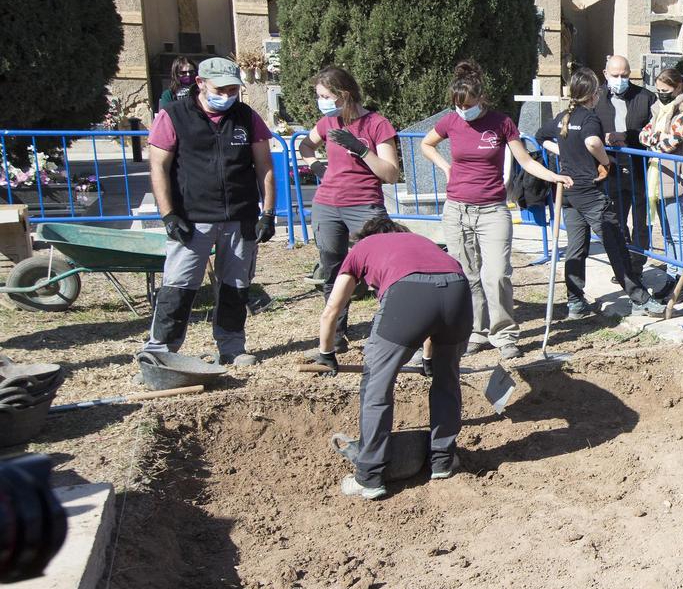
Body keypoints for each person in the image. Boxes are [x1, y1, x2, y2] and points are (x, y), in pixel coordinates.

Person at [421, 60, 571, 360]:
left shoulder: (502, 123)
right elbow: (427, 144)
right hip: (457, 210)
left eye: (469, 104)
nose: (464, 110)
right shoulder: (450, 122)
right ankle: (476, 331)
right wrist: (446, 168)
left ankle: (503, 334)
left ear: (481, 99)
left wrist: (553, 175)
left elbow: (525, 161)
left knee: (497, 274)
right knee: (468, 274)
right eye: (458, 105)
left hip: (492, 211)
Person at [315, 218, 472, 499]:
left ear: (367, 235)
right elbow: (433, 301)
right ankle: (443, 460)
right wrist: (428, 359)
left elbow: (332, 309)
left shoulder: (363, 247)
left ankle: (370, 477)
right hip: (457, 289)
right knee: (447, 380)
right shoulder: (424, 244)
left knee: (377, 386)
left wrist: (326, 353)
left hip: (407, 295)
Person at [142, 57, 275, 366]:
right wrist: (168, 215)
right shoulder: (173, 116)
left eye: (233, 89)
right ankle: (160, 350)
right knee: (179, 286)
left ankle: (232, 346)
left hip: (240, 217)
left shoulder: (246, 116)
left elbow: (264, 166)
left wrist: (267, 213)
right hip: (192, 218)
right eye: (221, 89)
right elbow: (158, 167)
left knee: (235, 286)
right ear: (200, 83)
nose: (228, 95)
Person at [534, 68, 666, 319]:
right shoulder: (588, 118)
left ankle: (575, 302)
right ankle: (640, 300)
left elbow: (541, 136)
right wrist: (605, 162)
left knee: (576, 247)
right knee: (615, 243)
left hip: (570, 191)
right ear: (593, 94)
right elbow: (593, 143)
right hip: (589, 191)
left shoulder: (564, 116)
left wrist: (562, 152)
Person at [296, 66, 399, 355]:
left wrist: (362, 151)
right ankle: (336, 335)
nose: (322, 102)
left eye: (325, 96)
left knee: (379, 269)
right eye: (319, 96)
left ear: (344, 95)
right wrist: (316, 166)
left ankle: (389, 334)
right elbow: (306, 145)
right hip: (327, 205)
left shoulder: (377, 124)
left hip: (364, 205)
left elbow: (390, 174)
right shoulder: (328, 123)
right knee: (333, 270)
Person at [639, 67, 683, 267]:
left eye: (665, 91)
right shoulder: (660, 110)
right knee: (667, 233)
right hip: (660, 175)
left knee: (679, 232)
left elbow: (669, 144)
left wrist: (655, 139)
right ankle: (672, 272)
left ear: (678, 88)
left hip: (680, 177)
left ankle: (681, 278)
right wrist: (655, 138)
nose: (661, 95)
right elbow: (643, 134)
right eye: (658, 90)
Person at [593, 55, 655, 261]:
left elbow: (654, 131)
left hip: (639, 169)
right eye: (615, 75)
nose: (620, 79)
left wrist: (627, 136)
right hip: (610, 169)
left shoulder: (645, 97)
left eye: (625, 75)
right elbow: (587, 129)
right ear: (605, 74)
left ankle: (637, 263)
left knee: (641, 220)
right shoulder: (595, 98)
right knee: (615, 219)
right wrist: (603, 139)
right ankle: (623, 263)